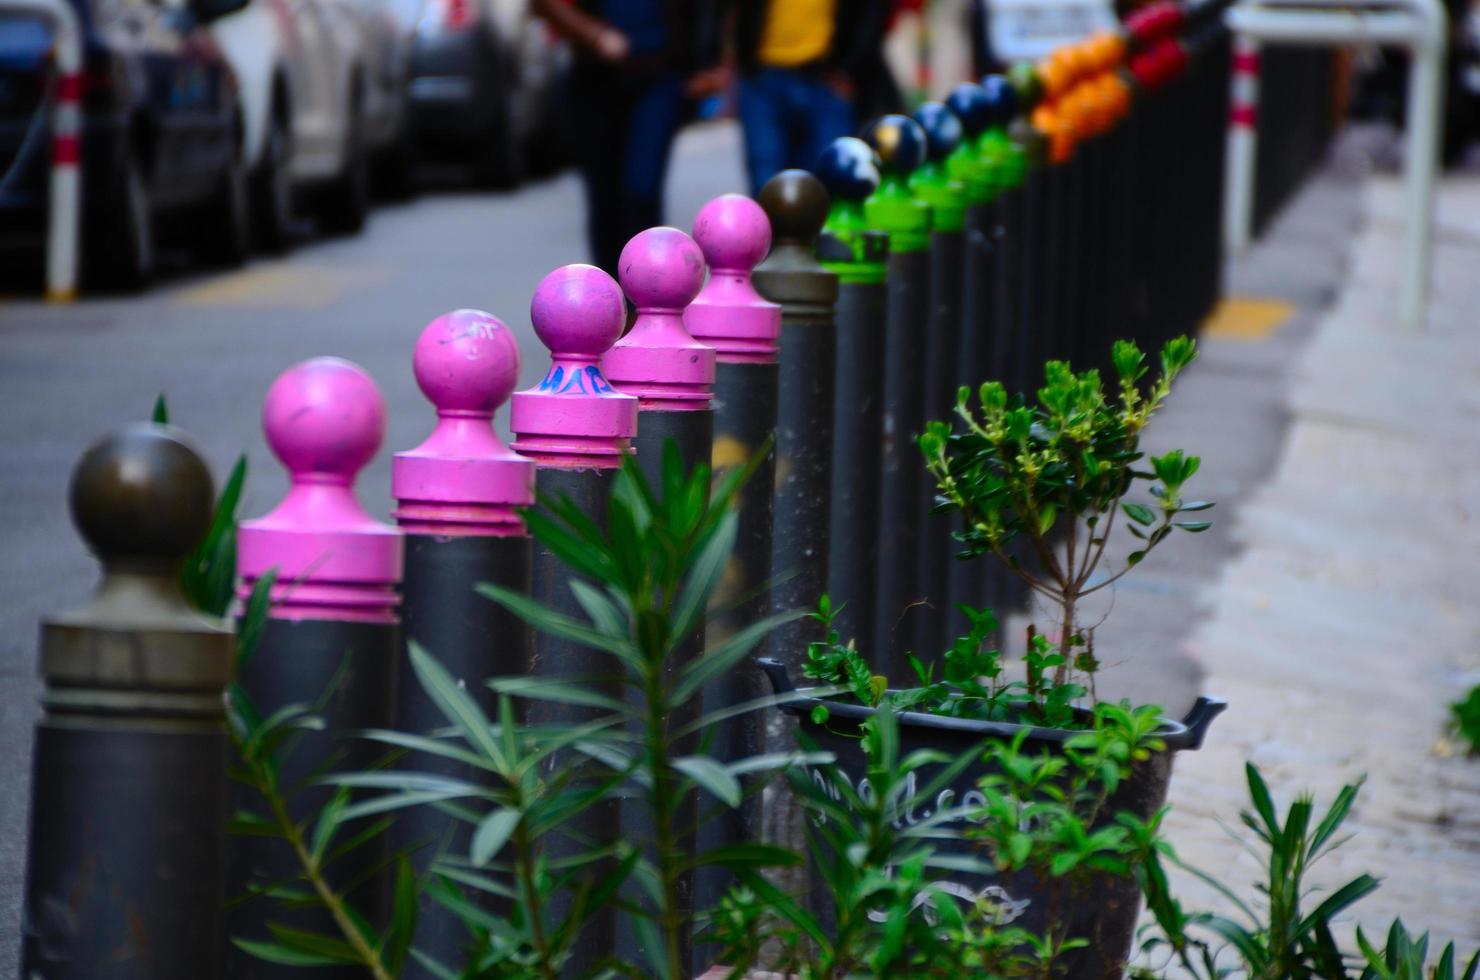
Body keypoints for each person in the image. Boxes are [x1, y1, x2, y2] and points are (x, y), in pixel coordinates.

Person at [534, 0, 727, 275]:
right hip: (595, 79)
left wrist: (708, 61)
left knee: (643, 189)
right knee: (605, 199)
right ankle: (611, 298)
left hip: (659, 75)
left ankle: (650, 290)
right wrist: (594, 34)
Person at [733, 0, 895, 194]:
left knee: (832, 180)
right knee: (767, 182)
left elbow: (871, 11)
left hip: (827, 78)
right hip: (763, 75)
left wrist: (850, 67)